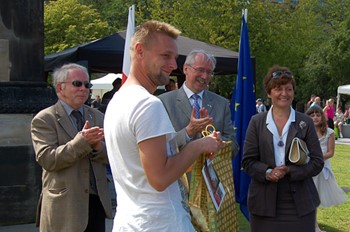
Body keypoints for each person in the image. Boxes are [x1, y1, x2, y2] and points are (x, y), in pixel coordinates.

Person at [104, 20, 225, 231]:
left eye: (174, 57)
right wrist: (199, 145)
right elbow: (160, 178)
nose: (173, 65)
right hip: (160, 223)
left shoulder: (118, 100)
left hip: (132, 222)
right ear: (140, 51)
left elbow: (149, 167)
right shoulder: (147, 104)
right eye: (165, 56)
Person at [31, 63, 113, 232]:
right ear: (60, 87)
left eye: (87, 85)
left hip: (96, 204)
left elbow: (113, 156)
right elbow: (48, 160)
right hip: (64, 207)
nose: (83, 89)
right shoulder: (45, 119)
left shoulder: (97, 116)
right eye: (77, 84)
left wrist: (98, 147)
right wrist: (82, 142)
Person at [242, 65, 324, 232]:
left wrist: (290, 171)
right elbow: (248, 162)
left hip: (300, 204)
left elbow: (317, 162)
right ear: (269, 92)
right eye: (279, 89)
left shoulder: (305, 122)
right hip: (264, 204)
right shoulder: (256, 122)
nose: (284, 94)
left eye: (289, 89)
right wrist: (267, 172)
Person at [158, 49, 239, 183]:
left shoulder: (221, 103)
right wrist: (189, 131)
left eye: (209, 72)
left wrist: (218, 143)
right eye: (200, 70)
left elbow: (234, 146)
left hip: (210, 186)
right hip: (177, 183)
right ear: (185, 69)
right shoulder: (163, 103)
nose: (205, 76)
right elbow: (160, 148)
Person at [305, 106, 348, 232]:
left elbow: (330, 152)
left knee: (315, 197)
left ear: (322, 116)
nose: (315, 118)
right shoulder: (305, 131)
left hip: (321, 168)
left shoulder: (328, 132)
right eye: (312, 116)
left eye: (318, 115)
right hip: (307, 168)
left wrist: (316, 158)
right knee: (307, 197)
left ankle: (314, 226)